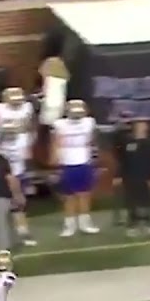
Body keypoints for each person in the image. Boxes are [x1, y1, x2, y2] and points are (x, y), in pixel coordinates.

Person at [52, 99, 100, 237]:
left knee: (84, 194)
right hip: (66, 163)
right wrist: (55, 159)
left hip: (84, 162)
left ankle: (85, 224)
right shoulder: (59, 124)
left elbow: (93, 140)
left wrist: (94, 156)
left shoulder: (89, 122)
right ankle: (70, 225)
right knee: (69, 196)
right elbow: (56, 142)